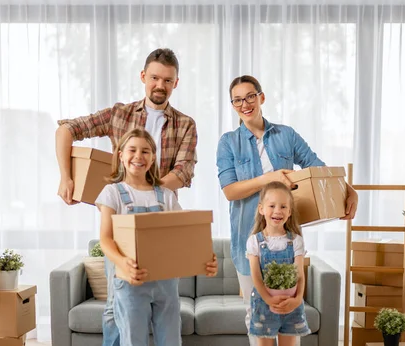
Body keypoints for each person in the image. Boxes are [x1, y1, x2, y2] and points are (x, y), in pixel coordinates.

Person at [55, 48, 197, 346]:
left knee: (163, 304)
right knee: (114, 308)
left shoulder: (185, 124)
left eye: (168, 80)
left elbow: (183, 171)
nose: (160, 85)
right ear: (144, 77)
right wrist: (66, 176)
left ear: (176, 83)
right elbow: (67, 130)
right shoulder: (119, 114)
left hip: (159, 222)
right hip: (121, 224)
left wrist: (150, 186)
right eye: (155, 77)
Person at [216, 75, 358, 345]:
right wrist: (269, 180)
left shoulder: (286, 135)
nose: (244, 104)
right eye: (237, 100)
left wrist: (349, 190)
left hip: (287, 239)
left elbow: (317, 168)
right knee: (256, 315)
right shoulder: (228, 142)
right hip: (249, 240)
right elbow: (230, 190)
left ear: (261, 97)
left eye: (250, 96)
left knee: (290, 312)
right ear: (233, 105)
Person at [95, 128, 217, 346]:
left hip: (166, 283)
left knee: (170, 340)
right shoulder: (112, 193)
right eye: (132, 150)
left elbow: (187, 235)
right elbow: (106, 239)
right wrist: (123, 262)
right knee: (133, 340)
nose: (138, 156)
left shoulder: (165, 196)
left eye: (146, 151)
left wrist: (206, 258)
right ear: (121, 154)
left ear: (152, 158)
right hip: (131, 280)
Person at [247, 181, 311, 345]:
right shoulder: (254, 241)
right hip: (264, 304)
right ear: (261, 209)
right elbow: (256, 277)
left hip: (291, 306)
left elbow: (299, 276)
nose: (277, 211)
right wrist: (268, 299)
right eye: (272, 206)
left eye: (283, 207)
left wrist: (297, 300)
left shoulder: (296, 241)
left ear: (289, 212)